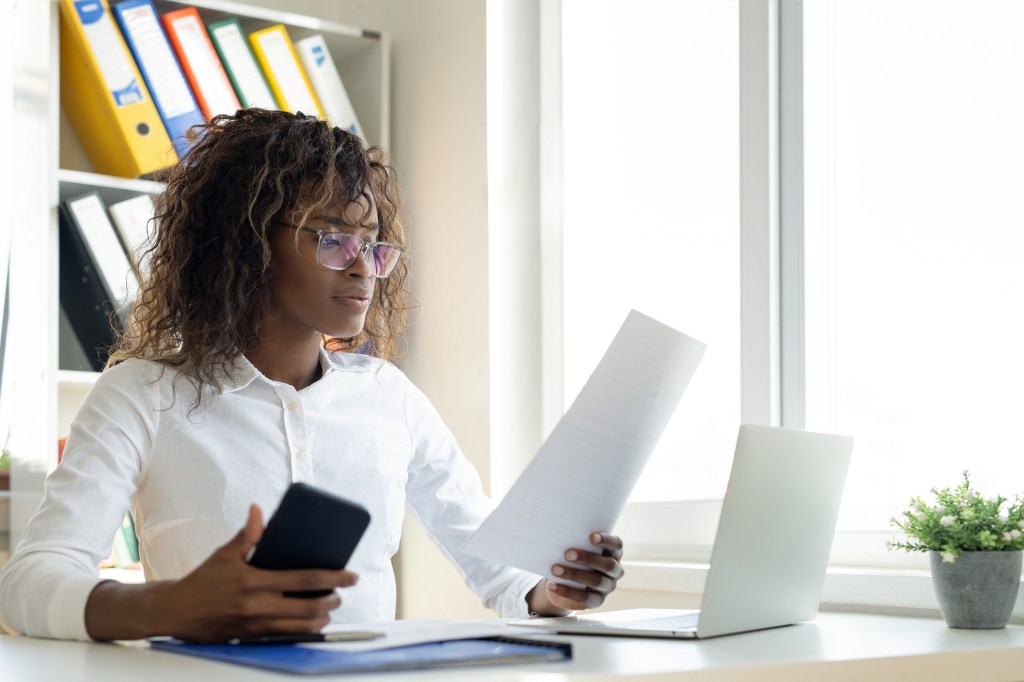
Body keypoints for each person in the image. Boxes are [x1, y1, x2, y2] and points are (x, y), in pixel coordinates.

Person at [0, 109, 624, 642]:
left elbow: (501, 574)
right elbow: (27, 583)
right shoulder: (143, 394)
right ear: (245, 242)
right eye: (332, 239)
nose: (363, 269)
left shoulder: (387, 398)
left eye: (373, 245)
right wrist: (172, 607)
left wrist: (555, 591)